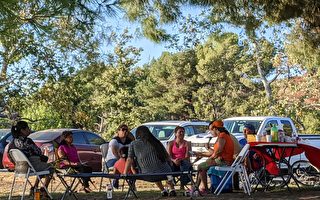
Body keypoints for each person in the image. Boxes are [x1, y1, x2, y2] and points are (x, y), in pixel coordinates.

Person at [124, 126, 176, 197]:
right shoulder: (156, 142)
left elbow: (129, 159)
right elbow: (167, 156)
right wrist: (171, 163)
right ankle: (172, 189)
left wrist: (125, 172)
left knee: (152, 168)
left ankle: (163, 190)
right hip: (164, 173)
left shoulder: (133, 144)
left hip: (147, 175)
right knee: (167, 170)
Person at [9, 121, 53, 197]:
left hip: (19, 168)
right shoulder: (27, 141)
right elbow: (38, 152)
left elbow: (9, 155)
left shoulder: (12, 142)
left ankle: (34, 188)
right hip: (31, 167)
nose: (29, 129)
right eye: (28, 128)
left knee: (41, 167)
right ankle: (44, 190)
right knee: (50, 168)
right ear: (22, 130)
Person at [194, 120, 234, 194]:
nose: (211, 132)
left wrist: (211, 158)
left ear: (215, 129)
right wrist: (205, 154)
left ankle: (203, 188)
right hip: (223, 159)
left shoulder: (222, 136)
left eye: (212, 130)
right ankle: (197, 187)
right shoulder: (224, 135)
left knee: (201, 166)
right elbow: (216, 152)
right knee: (202, 166)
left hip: (223, 161)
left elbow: (218, 151)